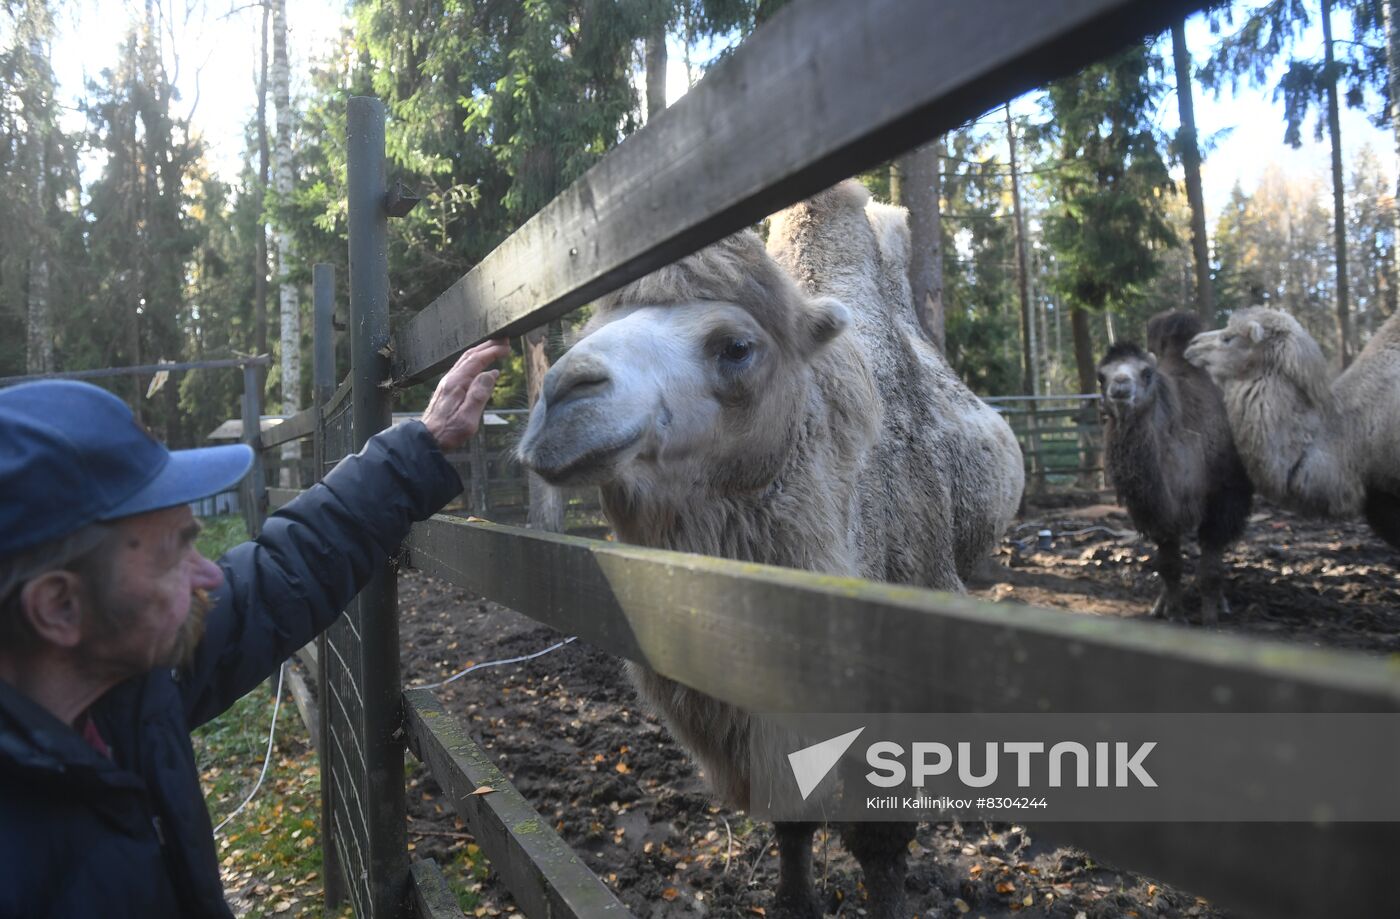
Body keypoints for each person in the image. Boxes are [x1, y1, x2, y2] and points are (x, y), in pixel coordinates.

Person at [0, 338, 511, 918]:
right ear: (58, 607)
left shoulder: (116, 680)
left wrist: (414, 451)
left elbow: (271, 581)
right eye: (176, 553)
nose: (206, 576)